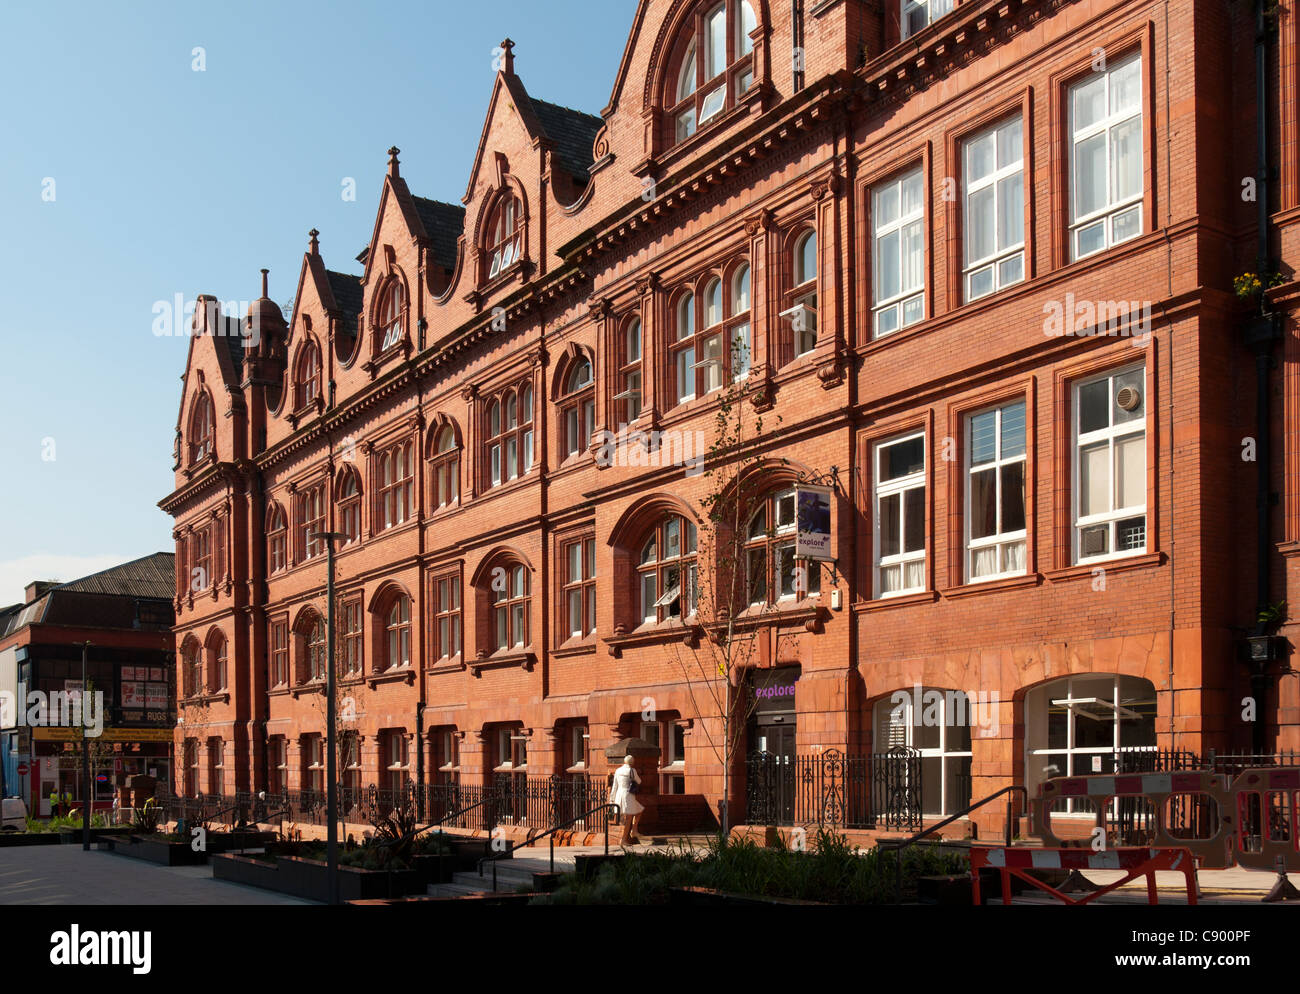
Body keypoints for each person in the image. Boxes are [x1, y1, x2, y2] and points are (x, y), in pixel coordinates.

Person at [608, 755, 643, 844]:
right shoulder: (632, 770)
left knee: (639, 810)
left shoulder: (618, 770)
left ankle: (634, 830)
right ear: (632, 762)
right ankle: (624, 839)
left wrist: (612, 799)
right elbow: (639, 781)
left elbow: (615, 785)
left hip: (619, 795)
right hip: (628, 795)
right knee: (629, 818)